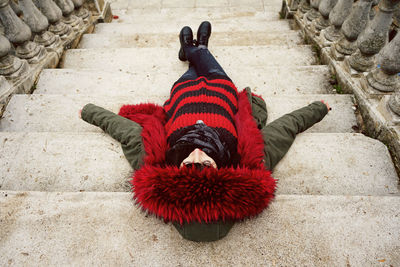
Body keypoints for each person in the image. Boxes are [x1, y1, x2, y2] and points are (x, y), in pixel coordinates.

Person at [80, 21, 330, 242]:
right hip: (222, 89)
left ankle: (193, 50)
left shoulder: (157, 158)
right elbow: (282, 130)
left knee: (193, 67)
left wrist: (91, 113)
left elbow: (125, 131)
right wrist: (317, 109)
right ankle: (197, 49)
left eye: (188, 165)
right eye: (207, 164)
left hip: (184, 92)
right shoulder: (247, 160)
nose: (197, 155)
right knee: (206, 61)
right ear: (221, 173)